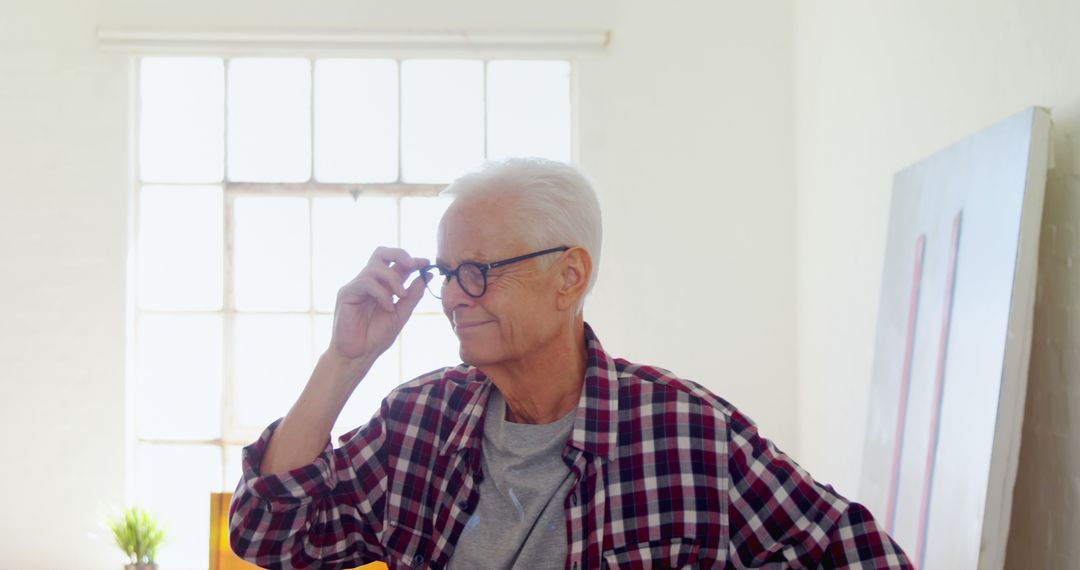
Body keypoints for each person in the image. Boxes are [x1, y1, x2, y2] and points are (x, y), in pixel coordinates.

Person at [228, 158, 912, 569]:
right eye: (446, 272)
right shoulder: (420, 421)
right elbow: (269, 532)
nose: (455, 298)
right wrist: (346, 360)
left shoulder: (686, 433)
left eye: (479, 270)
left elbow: (860, 557)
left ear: (570, 276)